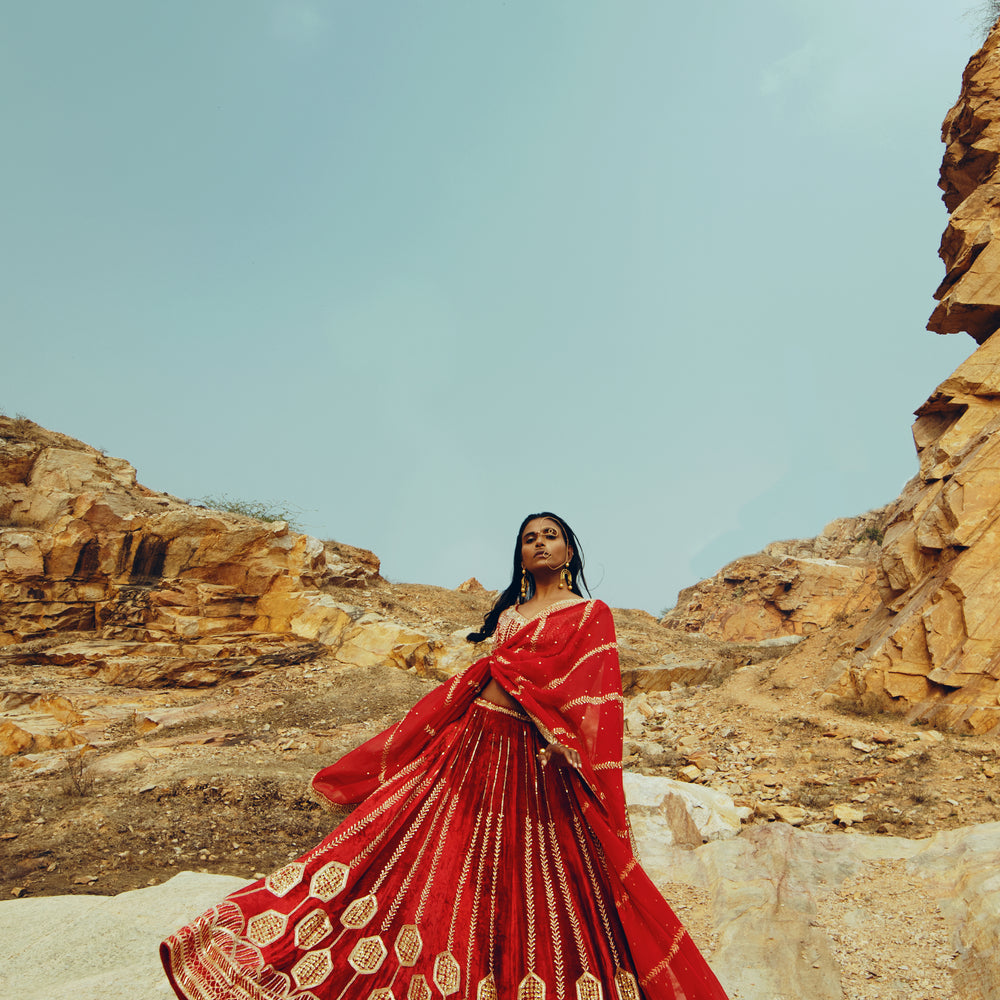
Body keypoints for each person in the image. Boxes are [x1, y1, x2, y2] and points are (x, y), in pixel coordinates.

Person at [161, 512, 730, 1000]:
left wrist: (571, 749)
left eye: (551, 535)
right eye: (529, 537)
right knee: (419, 846)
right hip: (473, 741)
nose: (538, 543)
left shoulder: (589, 614)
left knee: (527, 879)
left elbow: (596, 694)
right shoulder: (511, 615)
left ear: (570, 550)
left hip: (534, 759)